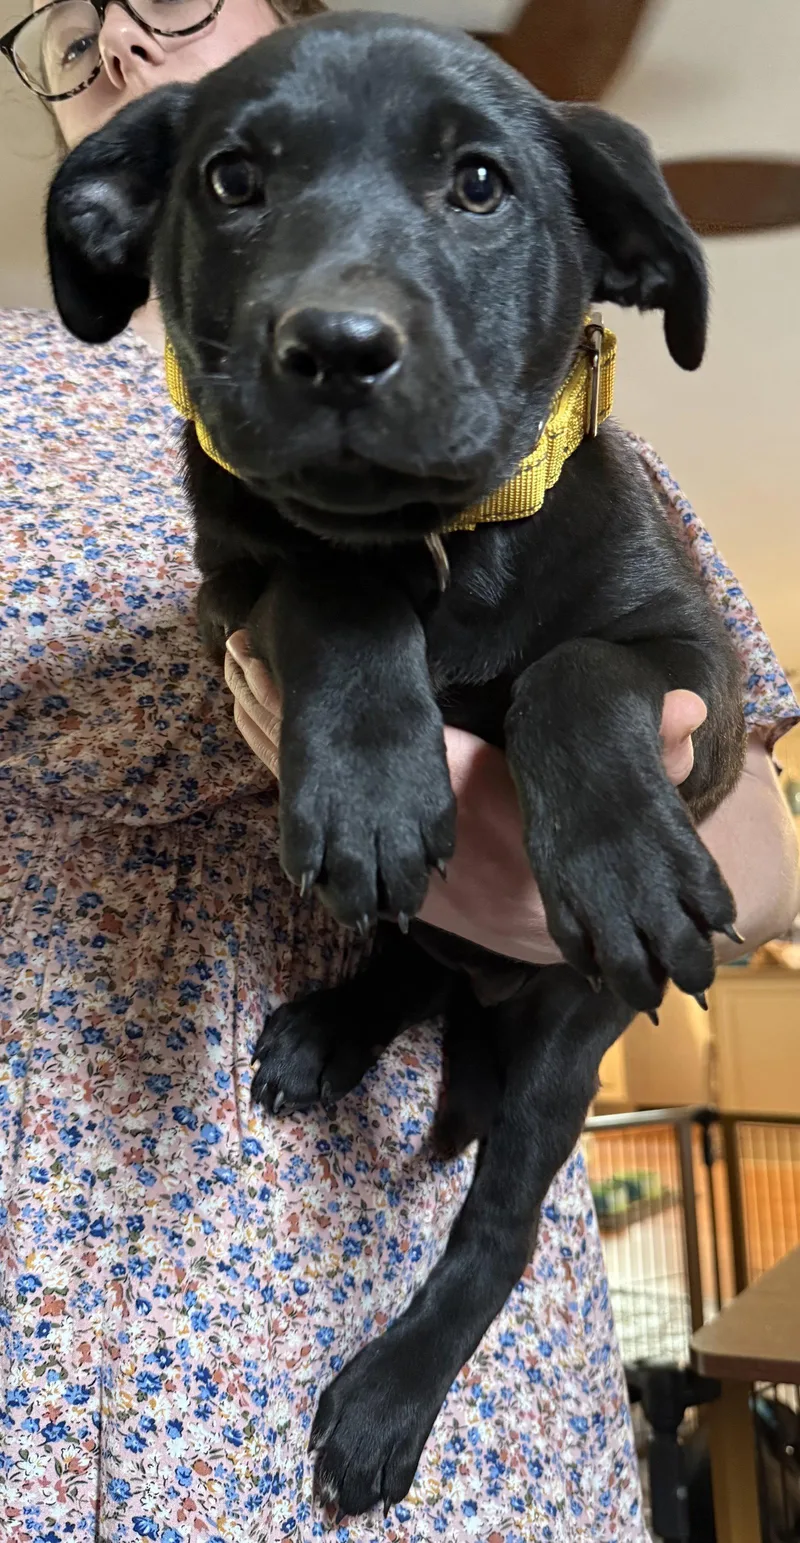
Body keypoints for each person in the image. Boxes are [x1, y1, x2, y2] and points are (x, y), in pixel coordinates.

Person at [0, 2, 798, 1539]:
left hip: (431, 1257)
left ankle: (450, 1305)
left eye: (478, 184)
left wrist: (587, 774)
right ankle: (383, 994)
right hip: (76, 1282)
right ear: (139, 230)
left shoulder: (580, 456)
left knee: (545, 1058)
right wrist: (330, 629)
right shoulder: (96, 418)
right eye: (240, 182)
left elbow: (757, 842)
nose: (343, 310)